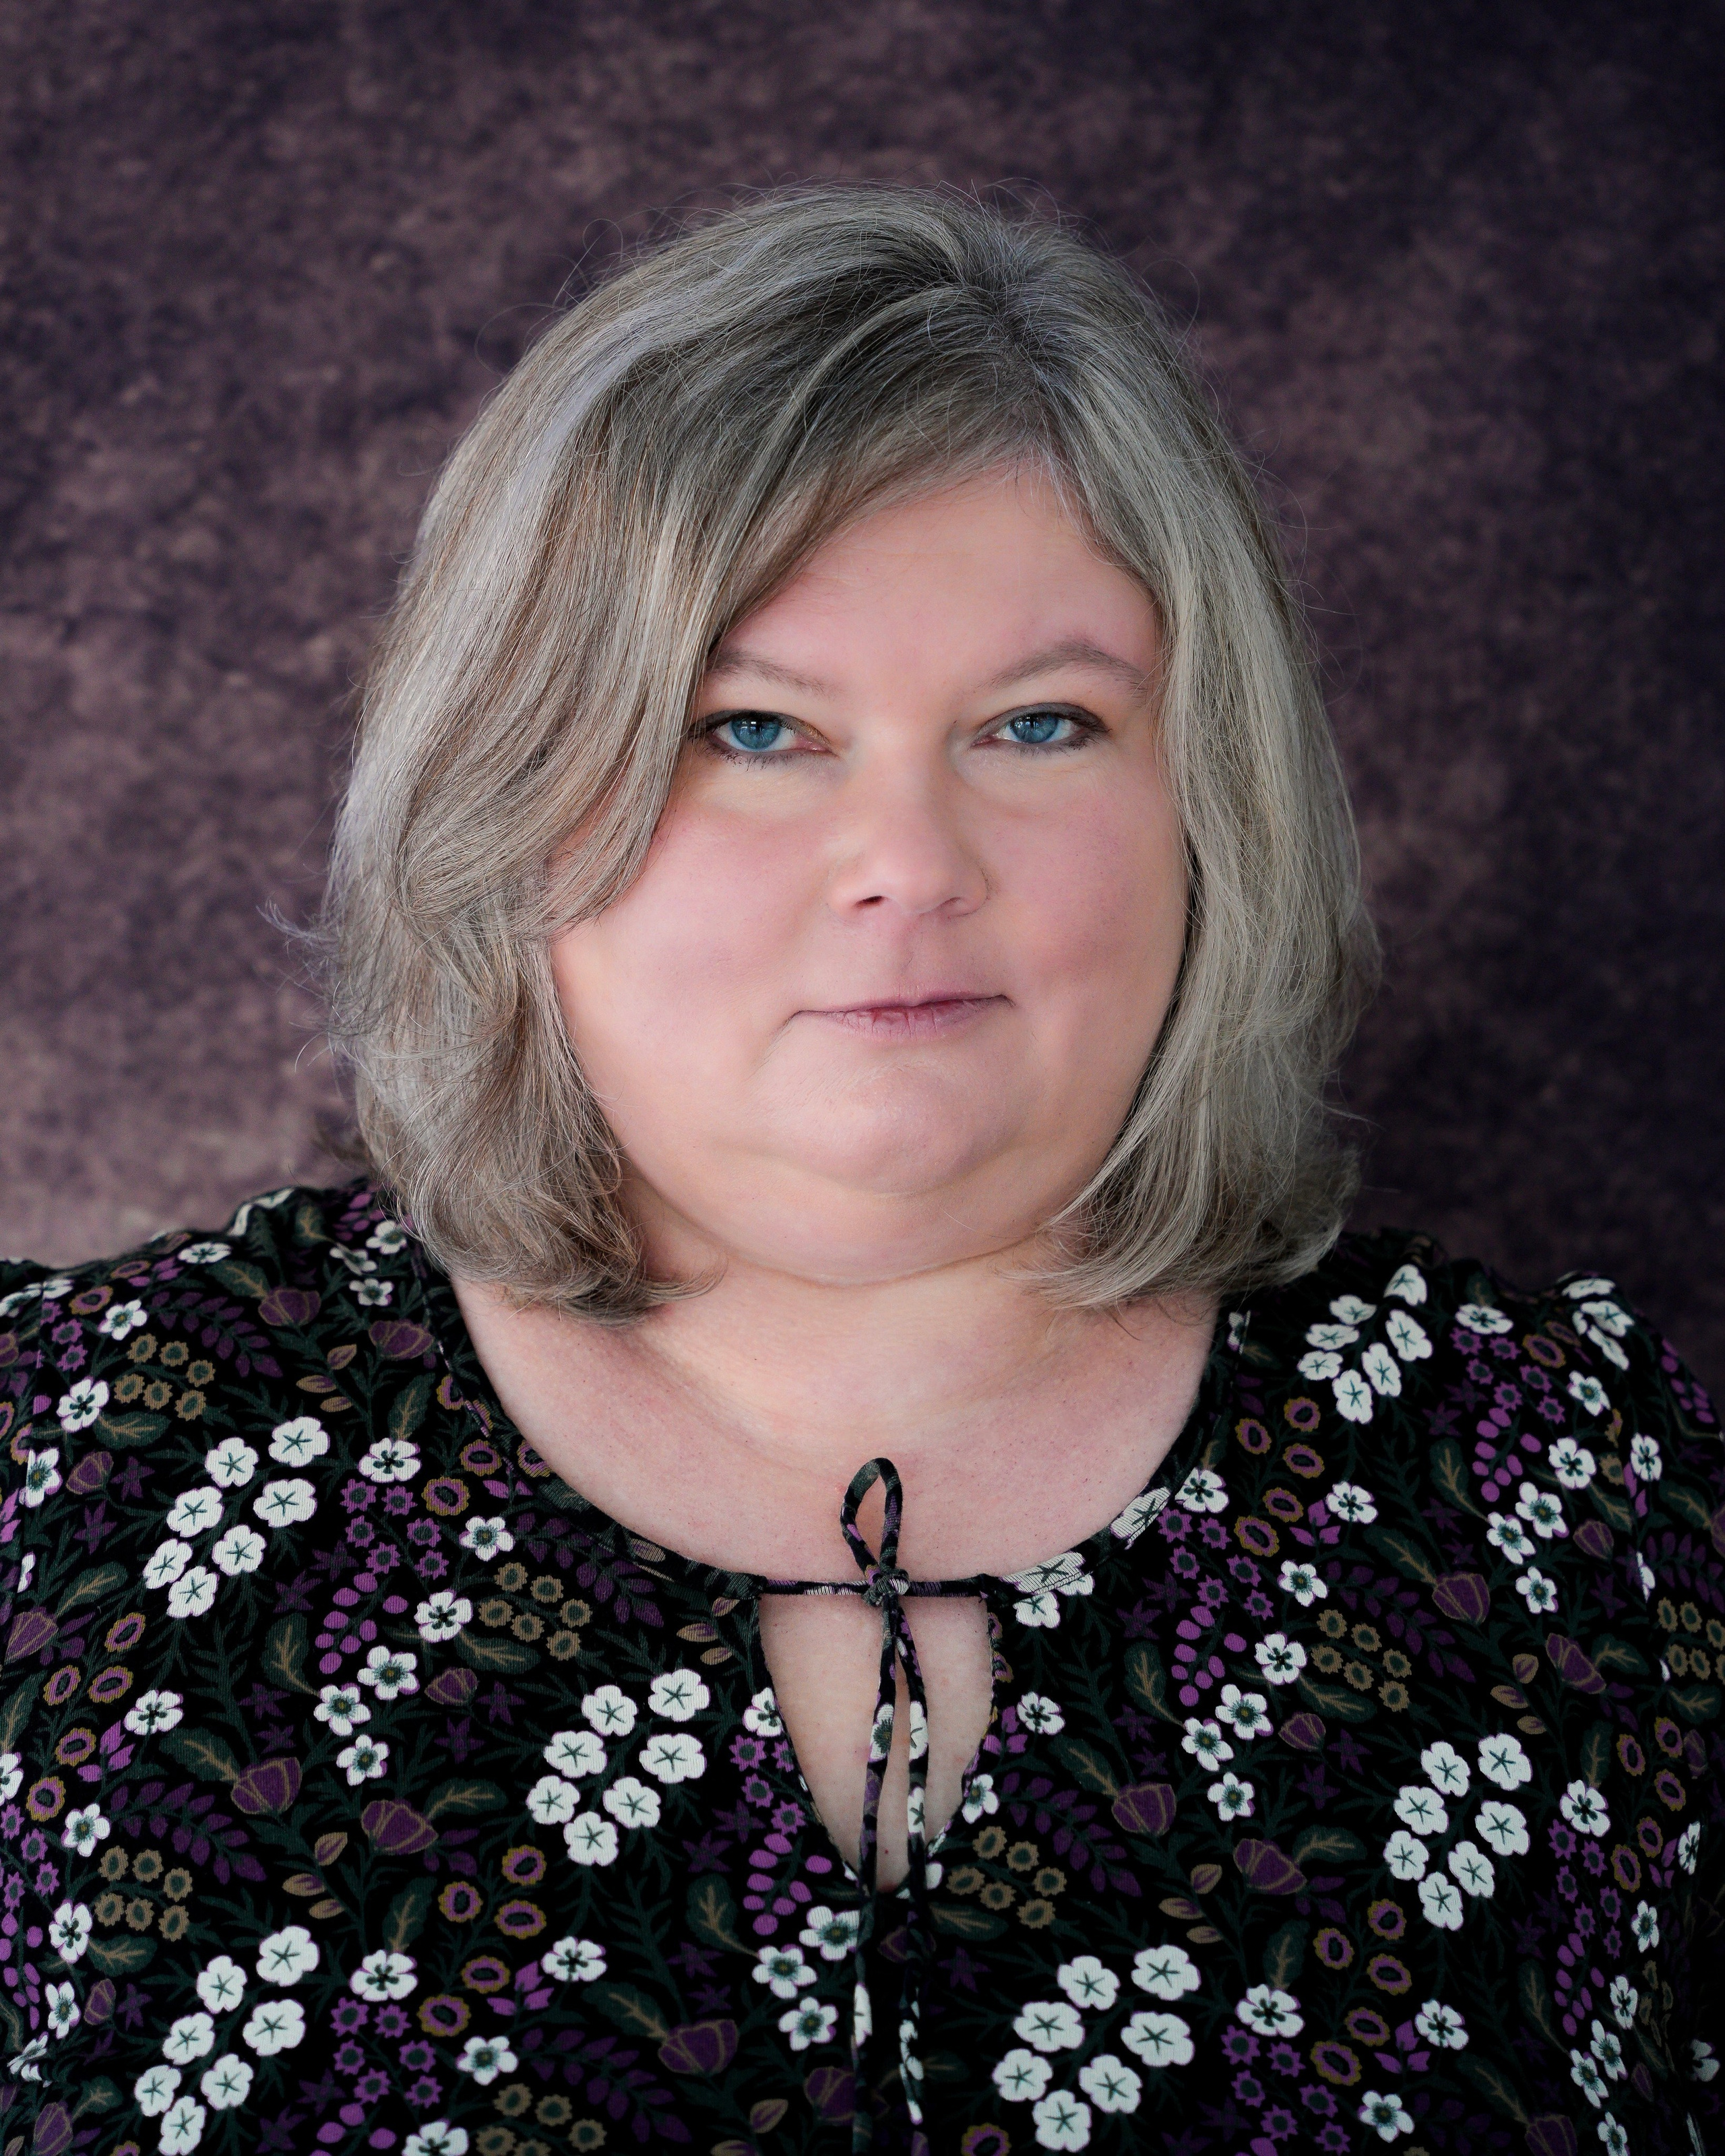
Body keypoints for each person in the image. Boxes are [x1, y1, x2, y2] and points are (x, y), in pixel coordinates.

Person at [0, 187, 1718, 2156]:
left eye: (1041, 723)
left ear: (1207, 811)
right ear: (509, 797)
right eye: (753, 729)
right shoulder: (82, 1452)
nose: (911, 858)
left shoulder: (1562, 1475)